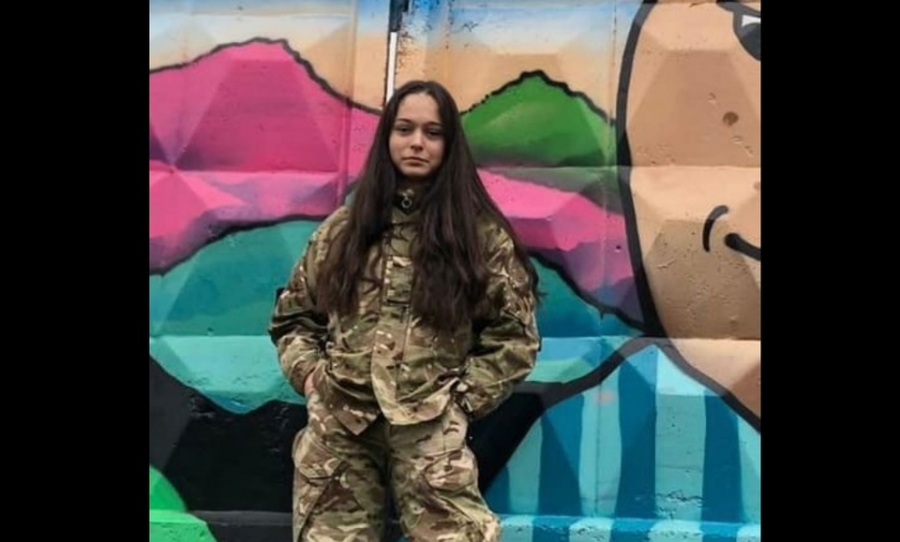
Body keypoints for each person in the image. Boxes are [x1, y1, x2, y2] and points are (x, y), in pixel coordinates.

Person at [268, 79, 541, 542]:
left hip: (430, 432)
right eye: (404, 129)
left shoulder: (479, 238)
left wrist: (460, 402)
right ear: (387, 139)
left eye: (432, 133)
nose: (417, 142)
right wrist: (311, 377)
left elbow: (515, 338)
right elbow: (294, 318)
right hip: (340, 430)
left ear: (449, 145)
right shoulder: (345, 231)